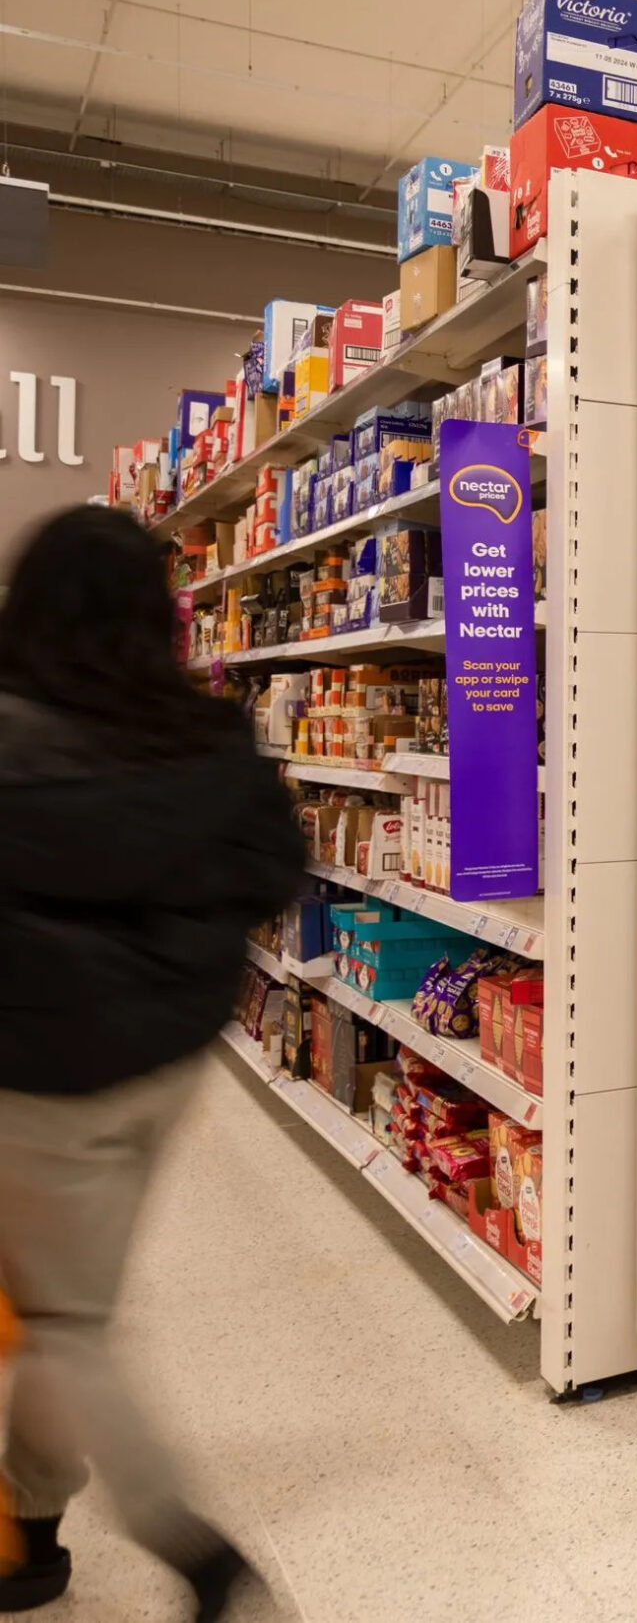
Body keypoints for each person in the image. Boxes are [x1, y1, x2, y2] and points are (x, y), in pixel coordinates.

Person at [0, 506, 304, 1615]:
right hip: (163, 1068)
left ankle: (203, 1558)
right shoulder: (209, 734)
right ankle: (30, 1526)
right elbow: (277, 865)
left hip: (38, 1077)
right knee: (63, 1303)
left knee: (66, 1320)